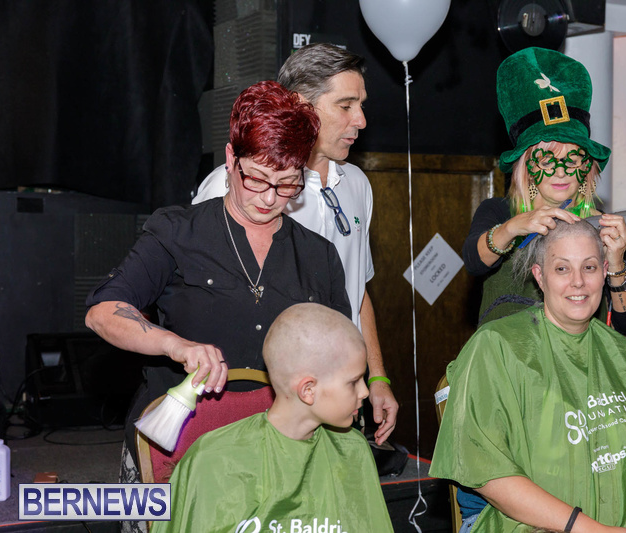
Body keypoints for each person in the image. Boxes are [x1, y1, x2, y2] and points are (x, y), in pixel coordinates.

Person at [85, 81, 350, 485]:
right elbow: (102, 313)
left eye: (286, 184)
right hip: (180, 445)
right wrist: (176, 345)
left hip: (281, 452)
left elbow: (340, 358)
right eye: (256, 178)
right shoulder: (178, 231)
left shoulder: (318, 255)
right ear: (230, 159)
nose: (269, 198)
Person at [192, 43, 398, 444]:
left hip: (339, 399)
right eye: (345, 105)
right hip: (260, 401)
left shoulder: (358, 184)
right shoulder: (234, 186)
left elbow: (357, 292)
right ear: (302, 106)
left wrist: (376, 377)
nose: (360, 120)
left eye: (361, 105)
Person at [430, 221, 626, 533]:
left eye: (589, 267)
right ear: (540, 277)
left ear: (605, 272)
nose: (578, 282)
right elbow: (485, 468)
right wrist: (593, 530)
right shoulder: (496, 346)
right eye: (562, 269)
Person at [154, 303, 393, 532]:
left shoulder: (353, 450)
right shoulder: (213, 460)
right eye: (354, 382)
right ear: (308, 390)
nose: (365, 392)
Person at [461, 47, 626, 336]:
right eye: (547, 161)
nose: (561, 172)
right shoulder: (499, 213)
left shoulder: (607, 229)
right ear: (525, 166)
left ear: (587, 167)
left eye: (572, 160)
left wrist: (616, 264)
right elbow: (473, 262)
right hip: (507, 360)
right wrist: (513, 227)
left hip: (578, 362)